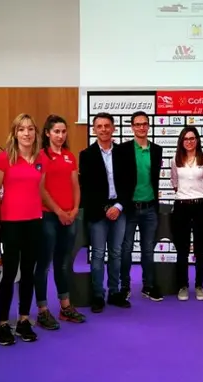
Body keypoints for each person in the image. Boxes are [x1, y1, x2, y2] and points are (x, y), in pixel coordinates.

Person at [0, 113, 43, 345]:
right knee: (10, 273)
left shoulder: (41, 159)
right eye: (22, 129)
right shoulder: (3, 159)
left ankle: (23, 320)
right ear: (15, 133)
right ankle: (3, 323)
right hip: (11, 223)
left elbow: (40, 190)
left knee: (29, 273)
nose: (27, 133)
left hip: (34, 221)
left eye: (31, 129)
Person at [35, 114, 86, 329]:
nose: (61, 135)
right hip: (48, 216)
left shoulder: (69, 156)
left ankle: (65, 307)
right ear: (47, 133)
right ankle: (43, 310)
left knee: (64, 263)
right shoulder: (41, 156)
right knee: (44, 264)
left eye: (64, 131)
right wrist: (58, 211)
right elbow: (41, 188)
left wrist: (74, 209)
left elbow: (75, 184)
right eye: (56, 131)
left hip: (70, 216)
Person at [79, 113, 131, 313]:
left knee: (116, 253)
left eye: (107, 125)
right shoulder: (87, 154)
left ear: (113, 128)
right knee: (98, 255)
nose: (103, 129)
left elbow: (129, 183)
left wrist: (118, 206)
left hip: (119, 209)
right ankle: (98, 295)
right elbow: (87, 188)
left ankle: (114, 292)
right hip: (98, 213)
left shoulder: (123, 153)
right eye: (99, 126)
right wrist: (105, 209)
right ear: (94, 130)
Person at [117, 111, 163, 301]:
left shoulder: (157, 149)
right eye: (138, 124)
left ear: (149, 126)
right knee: (125, 249)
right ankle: (125, 286)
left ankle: (148, 286)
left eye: (144, 124)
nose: (141, 127)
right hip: (129, 209)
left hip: (150, 208)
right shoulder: (123, 149)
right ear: (132, 127)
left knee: (148, 250)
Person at [169, 126, 203, 301]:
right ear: (181, 141)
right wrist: (186, 196)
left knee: (200, 250)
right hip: (181, 207)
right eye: (186, 139)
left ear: (197, 140)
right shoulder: (175, 160)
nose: (189, 142)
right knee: (182, 250)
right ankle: (183, 286)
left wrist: (198, 195)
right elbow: (174, 183)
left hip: (201, 206)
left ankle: (199, 286)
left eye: (192, 138)